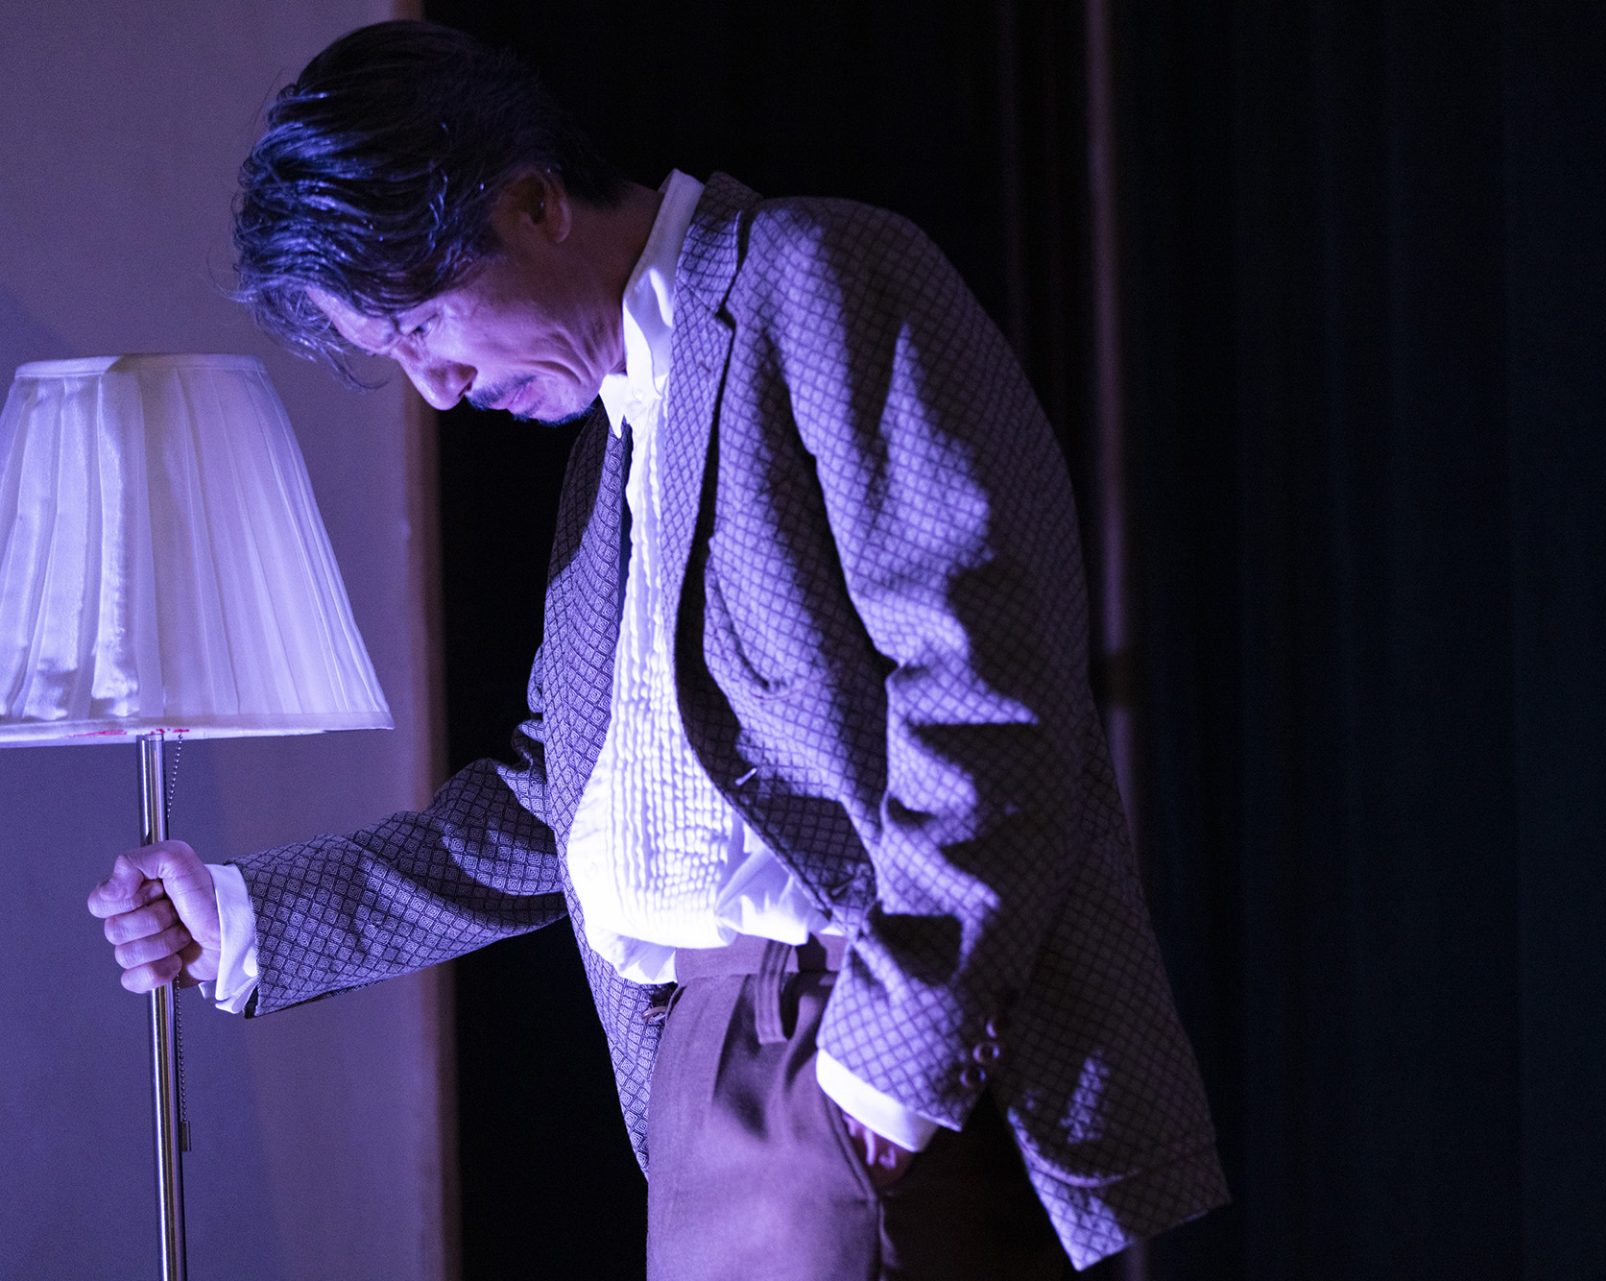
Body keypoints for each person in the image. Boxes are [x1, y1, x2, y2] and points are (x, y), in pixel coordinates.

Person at [85, 20, 1226, 1279]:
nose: (437, 389)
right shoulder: (605, 458)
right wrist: (251, 917)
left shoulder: (817, 276)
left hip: (850, 1035)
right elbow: (548, 807)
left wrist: (887, 1068)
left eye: (423, 327)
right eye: (394, 359)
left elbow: (989, 697)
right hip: (695, 1078)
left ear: (532, 203)